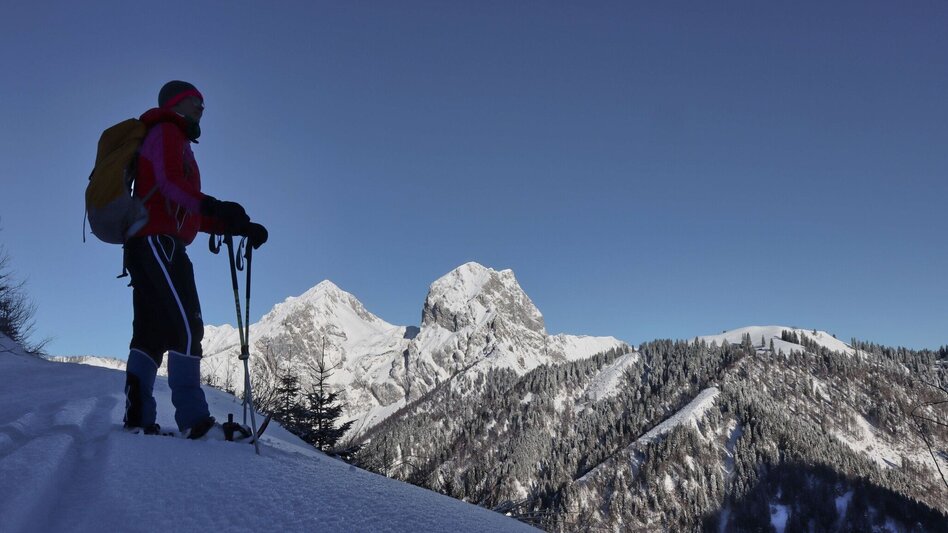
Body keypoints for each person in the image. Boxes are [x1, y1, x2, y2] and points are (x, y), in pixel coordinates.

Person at [122, 80, 267, 439]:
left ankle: (138, 416)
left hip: (150, 242)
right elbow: (172, 186)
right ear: (175, 103)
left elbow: (183, 208)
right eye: (194, 101)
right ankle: (195, 422)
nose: (202, 107)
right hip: (158, 243)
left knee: (151, 333)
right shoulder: (167, 131)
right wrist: (214, 206)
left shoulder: (174, 137)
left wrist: (233, 226)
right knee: (187, 327)